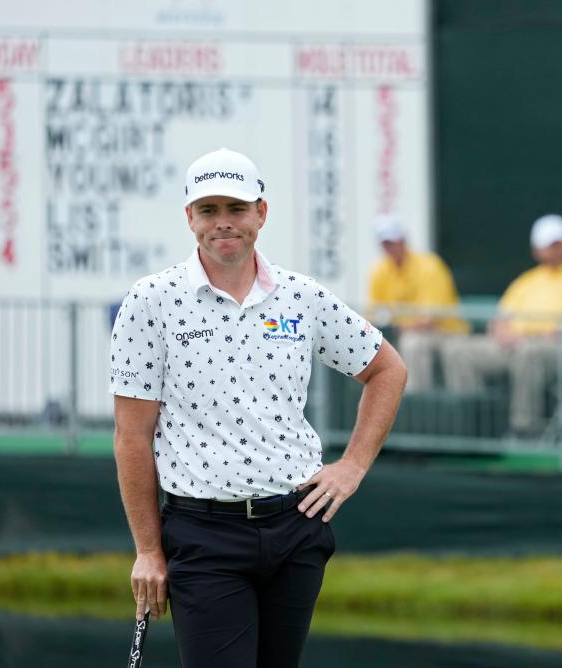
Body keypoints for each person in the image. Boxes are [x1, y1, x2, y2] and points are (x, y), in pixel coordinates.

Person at [110, 148, 406, 667]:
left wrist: (353, 466)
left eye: (236, 208)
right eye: (208, 210)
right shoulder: (151, 300)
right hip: (204, 537)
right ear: (189, 219)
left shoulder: (302, 297)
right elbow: (132, 436)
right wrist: (148, 551)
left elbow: (387, 370)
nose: (223, 223)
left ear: (260, 214)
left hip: (295, 525)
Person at [441, 214, 562, 436]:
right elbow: (500, 320)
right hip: (516, 344)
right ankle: (473, 423)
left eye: (557, 244)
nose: (552, 250)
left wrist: (537, 337)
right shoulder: (528, 280)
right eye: (546, 245)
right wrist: (503, 333)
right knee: (458, 350)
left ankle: (523, 427)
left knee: (529, 352)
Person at [367, 214, 468, 392]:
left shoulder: (429, 266)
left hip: (446, 332)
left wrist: (393, 326)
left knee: (413, 344)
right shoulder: (380, 271)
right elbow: (373, 314)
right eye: (385, 243)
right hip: (401, 333)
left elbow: (428, 321)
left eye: (392, 241)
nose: (389, 247)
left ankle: (418, 408)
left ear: (403, 240)